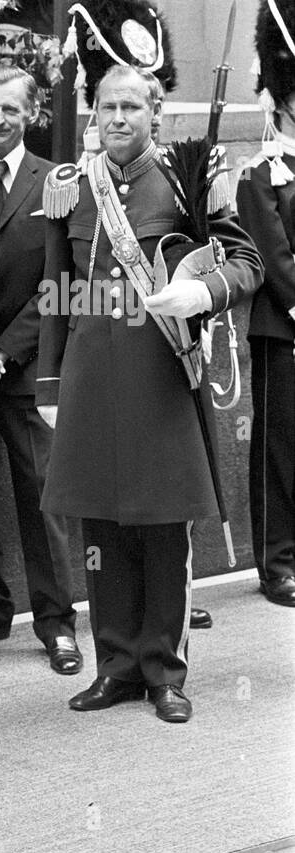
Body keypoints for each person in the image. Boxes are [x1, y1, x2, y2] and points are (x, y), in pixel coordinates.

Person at [36, 65, 262, 723]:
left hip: (162, 374)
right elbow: (55, 290)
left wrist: (202, 292)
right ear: (92, 115)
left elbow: (244, 262)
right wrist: (50, 383)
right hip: (91, 379)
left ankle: (164, 670)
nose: (118, 119)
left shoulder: (188, 178)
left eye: (132, 107)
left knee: (163, 526)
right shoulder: (72, 189)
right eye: (107, 108)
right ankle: (116, 666)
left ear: (154, 115)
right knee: (101, 521)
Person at [0, 65, 80, 675]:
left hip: (23, 370)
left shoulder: (54, 182)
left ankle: (57, 623)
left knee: (40, 494)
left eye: (11, 110)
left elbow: (59, 281)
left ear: (32, 115)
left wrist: (6, 351)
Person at [236, 0, 295, 609]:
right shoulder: (261, 173)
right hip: (284, 329)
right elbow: (273, 258)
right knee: (279, 448)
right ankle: (276, 561)